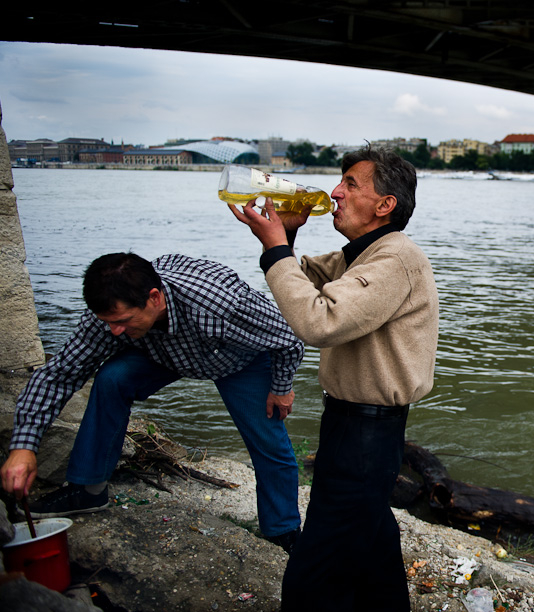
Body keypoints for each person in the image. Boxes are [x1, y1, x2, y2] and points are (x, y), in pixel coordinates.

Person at [229, 145, 438, 611]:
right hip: (353, 424)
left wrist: (275, 247)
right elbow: (300, 278)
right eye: (339, 182)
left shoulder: (394, 259)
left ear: (385, 205)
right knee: (371, 538)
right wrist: (285, 236)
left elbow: (319, 321)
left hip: (368, 431)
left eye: (350, 184)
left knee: (318, 560)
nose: (334, 193)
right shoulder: (360, 255)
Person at [1, 253, 304, 553]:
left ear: (155, 298)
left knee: (268, 441)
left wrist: (281, 387)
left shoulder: (219, 303)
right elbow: (60, 374)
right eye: (108, 323)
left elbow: (288, 334)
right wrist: (23, 447)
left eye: (122, 322)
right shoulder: (108, 320)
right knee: (112, 378)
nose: (114, 332)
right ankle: (88, 490)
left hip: (236, 359)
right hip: (165, 352)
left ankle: (283, 532)